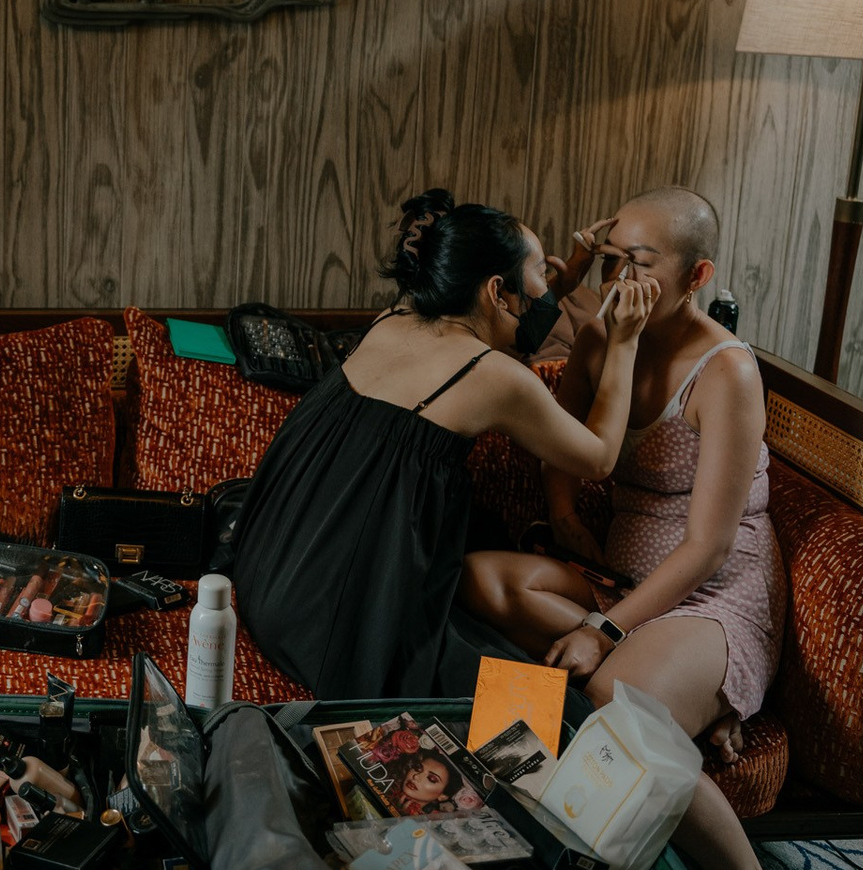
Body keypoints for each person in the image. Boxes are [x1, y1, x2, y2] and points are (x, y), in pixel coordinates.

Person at [459, 187, 785, 870]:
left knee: (610, 701)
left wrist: (601, 631)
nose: (620, 279)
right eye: (613, 259)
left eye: (641, 262)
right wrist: (564, 514)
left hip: (713, 594)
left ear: (696, 276)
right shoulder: (605, 335)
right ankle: (676, 701)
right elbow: (563, 435)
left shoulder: (726, 372)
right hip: (622, 576)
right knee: (479, 579)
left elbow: (709, 547)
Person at [230, 188, 656, 701]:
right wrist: (625, 341)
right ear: (497, 291)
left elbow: (499, 334)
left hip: (273, 573)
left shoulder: (394, 318)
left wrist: (559, 289)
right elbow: (599, 456)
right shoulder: (493, 378)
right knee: (546, 710)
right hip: (337, 623)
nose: (550, 283)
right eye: (542, 272)